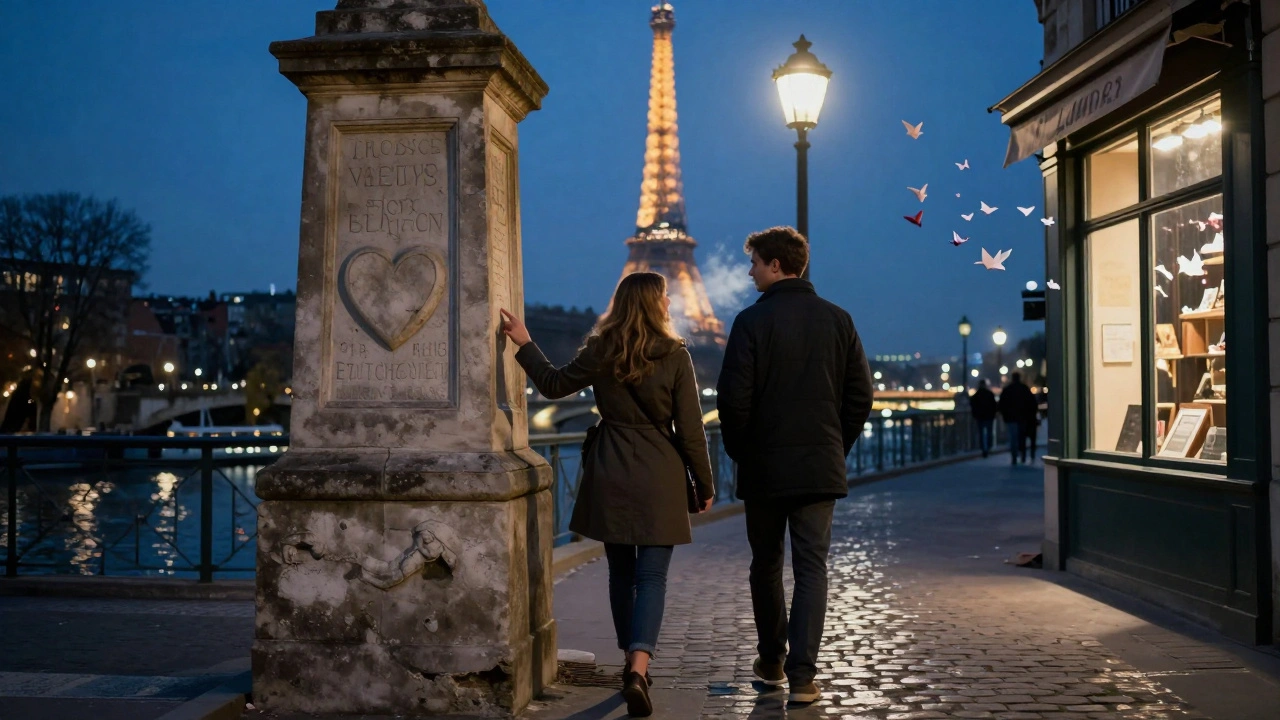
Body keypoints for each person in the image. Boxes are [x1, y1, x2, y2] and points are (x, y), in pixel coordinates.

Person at [500, 272, 714, 718]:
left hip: (611, 467)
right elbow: (691, 431)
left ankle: (626, 664)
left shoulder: (601, 349)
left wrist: (525, 343)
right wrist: (704, 483)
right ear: (657, 304)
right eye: (667, 297)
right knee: (652, 577)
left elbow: (554, 385)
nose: (672, 301)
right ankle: (639, 668)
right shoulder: (676, 355)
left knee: (622, 572)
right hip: (661, 471)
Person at [715, 226, 873, 706]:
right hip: (818, 467)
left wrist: (745, 451)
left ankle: (773, 659)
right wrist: (832, 446)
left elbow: (732, 402)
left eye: (756, 263)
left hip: (765, 468)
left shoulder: (750, 322)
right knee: (812, 568)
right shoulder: (839, 319)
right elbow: (859, 397)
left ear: (777, 265)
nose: (749, 271)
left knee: (765, 565)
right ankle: (805, 675)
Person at [997, 372, 1038, 465]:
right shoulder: (1024, 389)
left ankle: (1014, 456)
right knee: (1021, 437)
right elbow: (1032, 403)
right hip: (1023, 417)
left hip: (1010, 418)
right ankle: (1023, 455)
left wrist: (1004, 415)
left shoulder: (1007, 389)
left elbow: (1001, 404)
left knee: (1013, 438)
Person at [968, 380, 998, 457]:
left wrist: (975, 414)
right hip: (989, 416)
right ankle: (988, 447)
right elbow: (994, 405)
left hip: (980, 417)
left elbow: (972, 404)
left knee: (981, 433)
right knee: (989, 433)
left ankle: (983, 448)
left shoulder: (976, 395)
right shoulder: (990, 394)